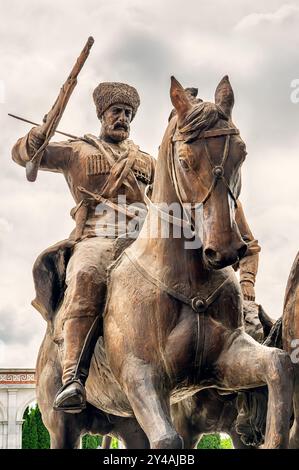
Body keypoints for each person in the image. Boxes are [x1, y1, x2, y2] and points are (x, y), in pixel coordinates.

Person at [12, 82, 156, 413]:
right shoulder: (78, 150)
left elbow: (164, 199)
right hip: (97, 236)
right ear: (102, 115)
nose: (123, 119)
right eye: (117, 112)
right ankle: (74, 376)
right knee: (86, 273)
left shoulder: (147, 160)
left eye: (128, 114)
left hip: (144, 237)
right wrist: (36, 137)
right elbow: (25, 156)